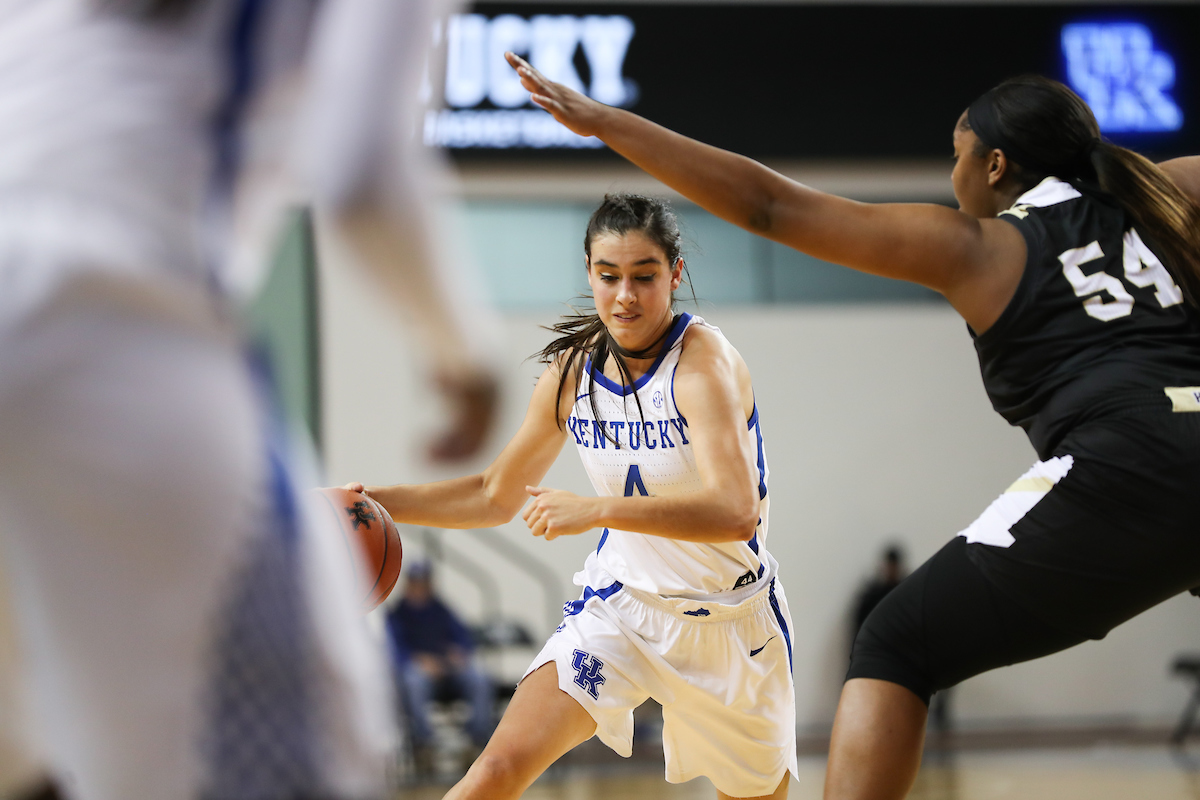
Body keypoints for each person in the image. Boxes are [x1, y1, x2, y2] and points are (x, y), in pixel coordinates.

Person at [504, 54, 1200, 800]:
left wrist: (603, 123)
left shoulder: (983, 246)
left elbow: (770, 206)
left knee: (897, 643)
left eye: (957, 155)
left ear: (996, 166)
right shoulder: (1167, 191)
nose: (954, 172)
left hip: (1129, 463)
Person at [0, 1, 501, 798]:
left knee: (27, 764)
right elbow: (363, 177)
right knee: (307, 761)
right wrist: (465, 355)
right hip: (114, 317)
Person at [351, 194, 797, 800]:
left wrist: (597, 510)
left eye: (645, 276)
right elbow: (492, 494)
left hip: (730, 625)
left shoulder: (703, 366)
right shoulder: (571, 372)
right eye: (609, 277)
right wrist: (367, 499)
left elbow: (735, 512)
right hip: (621, 610)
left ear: (675, 273)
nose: (626, 296)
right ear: (589, 273)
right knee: (497, 770)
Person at [386, 562, 495, 774]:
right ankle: (423, 745)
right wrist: (419, 661)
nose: (420, 587)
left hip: (447, 670)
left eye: (424, 582)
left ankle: (477, 741)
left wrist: (459, 652)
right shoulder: (397, 614)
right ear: (407, 584)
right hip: (419, 673)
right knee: (413, 681)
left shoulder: (440, 608)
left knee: (479, 677)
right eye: (416, 583)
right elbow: (395, 652)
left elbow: (464, 638)